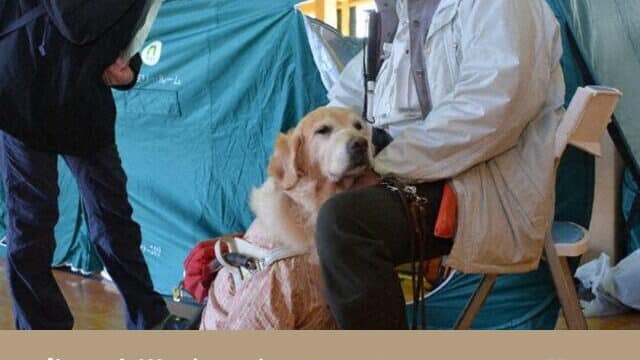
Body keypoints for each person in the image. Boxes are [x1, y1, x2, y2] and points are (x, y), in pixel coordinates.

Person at [316, 0, 566, 329]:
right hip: (418, 170)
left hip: (482, 185)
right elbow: (340, 108)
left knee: (344, 222)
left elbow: (490, 113)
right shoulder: (397, 17)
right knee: (310, 202)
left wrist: (384, 166)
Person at [0, 0, 183, 329]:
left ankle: (151, 320)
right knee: (31, 225)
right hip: (25, 90)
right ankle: (42, 334)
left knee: (113, 216)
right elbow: (73, 19)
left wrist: (129, 68)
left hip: (82, 96)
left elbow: (128, 29)